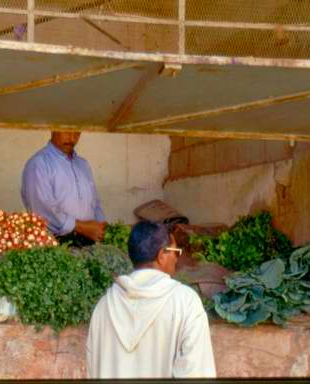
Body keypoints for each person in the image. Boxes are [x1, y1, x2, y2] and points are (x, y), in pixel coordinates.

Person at [86, 221, 216, 378]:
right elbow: (197, 373)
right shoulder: (185, 302)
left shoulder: (103, 307)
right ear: (161, 256)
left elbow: (93, 370)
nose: (177, 258)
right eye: (175, 252)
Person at [21, 131, 107, 244]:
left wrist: (102, 225)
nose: (72, 138)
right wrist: (81, 227)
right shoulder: (38, 163)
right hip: (55, 243)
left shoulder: (83, 164)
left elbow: (95, 202)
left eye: (77, 133)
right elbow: (42, 212)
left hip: (89, 241)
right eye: (67, 132)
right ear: (53, 129)